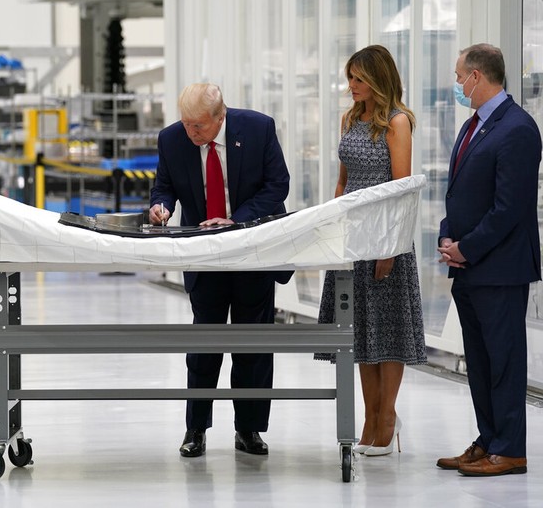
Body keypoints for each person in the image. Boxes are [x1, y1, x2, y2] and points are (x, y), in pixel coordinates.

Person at [149, 83, 292, 457]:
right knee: (203, 346)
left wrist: (234, 221)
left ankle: (249, 429)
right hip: (204, 255)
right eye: (186, 124)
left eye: (199, 126)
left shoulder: (258, 129)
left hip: (251, 252)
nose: (191, 133)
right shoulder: (173, 140)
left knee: (253, 346)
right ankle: (195, 428)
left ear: (220, 116)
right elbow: (163, 186)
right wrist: (161, 207)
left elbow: (278, 186)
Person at [316, 45, 426, 457]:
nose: (351, 87)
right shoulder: (350, 119)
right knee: (360, 331)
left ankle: (387, 417)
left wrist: (390, 247)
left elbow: (399, 191)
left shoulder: (397, 123)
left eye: (359, 79)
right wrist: (335, 229)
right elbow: (343, 184)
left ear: (378, 79)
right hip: (353, 238)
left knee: (389, 330)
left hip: (385, 236)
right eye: (350, 79)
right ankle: (368, 417)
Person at [436, 43, 541, 477]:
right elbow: (461, 191)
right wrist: (447, 233)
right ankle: (488, 439)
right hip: (470, 267)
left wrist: (468, 247)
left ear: (477, 76)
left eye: (460, 76)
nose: (457, 84)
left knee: (504, 360)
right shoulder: (473, 125)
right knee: (479, 361)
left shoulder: (517, 128)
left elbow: (509, 207)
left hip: (498, 268)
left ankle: (511, 448)